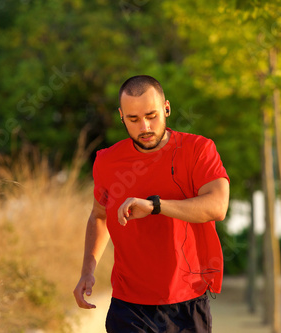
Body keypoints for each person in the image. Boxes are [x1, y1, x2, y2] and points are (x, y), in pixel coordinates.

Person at [73, 75, 230, 333]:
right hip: (128, 304)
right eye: (133, 119)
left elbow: (217, 206)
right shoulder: (107, 161)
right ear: (121, 116)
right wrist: (88, 270)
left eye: (152, 115)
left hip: (186, 302)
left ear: (166, 108)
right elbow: (99, 216)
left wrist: (156, 206)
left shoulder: (198, 149)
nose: (144, 126)